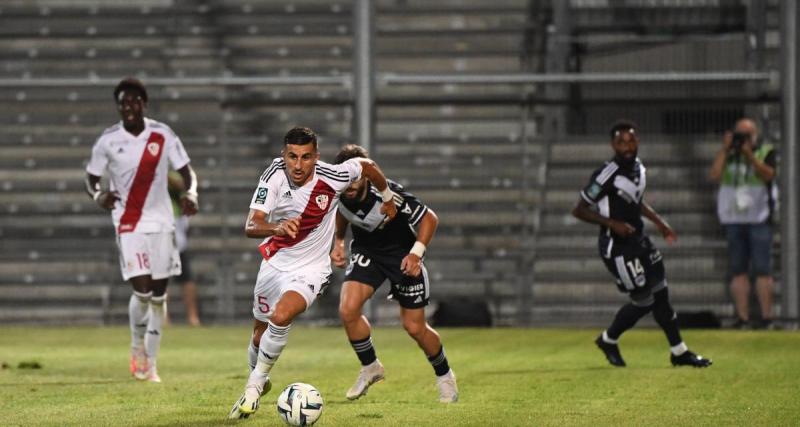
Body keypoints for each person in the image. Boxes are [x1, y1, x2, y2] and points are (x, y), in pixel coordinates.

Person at [227, 127, 397, 419]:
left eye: (306, 157)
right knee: (258, 335)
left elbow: (367, 166)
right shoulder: (273, 176)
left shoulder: (333, 176)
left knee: (281, 316)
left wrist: (387, 196)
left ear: (316, 157)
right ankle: (261, 379)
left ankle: (253, 388)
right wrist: (277, 227)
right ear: (284, 155)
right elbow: (251, 226)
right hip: (275, 263)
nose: (298, 164)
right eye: (292, 156)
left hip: (311, 269)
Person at [572, 120, 711, 368]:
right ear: (613, 145)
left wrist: (659, 222)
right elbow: (579, 210)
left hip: (639, 240)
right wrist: (612, 223)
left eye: (631, 140)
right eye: (621, 142)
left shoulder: (638, 168)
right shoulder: (606, 174)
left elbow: (635, 201)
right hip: (617, 247)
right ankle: (609, 339)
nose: (627, 146)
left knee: (661, 293)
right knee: (644, 301)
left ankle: (679, 351)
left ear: (638, 141)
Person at [85, 77, 199, 382]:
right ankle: (138, 349)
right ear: (119, 106)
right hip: (129, 223)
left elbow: (187, 173)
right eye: (123, 102)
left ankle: (152, 361)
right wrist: (99, 195)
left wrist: (191, 195)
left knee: (159, 297)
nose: (129, 106)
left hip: (162, 222)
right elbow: (91, 177)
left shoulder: (162, 134)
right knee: (142, 290)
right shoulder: (108, 140)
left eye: (134, 101)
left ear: (143, 103)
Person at [329, 144, 458, 404]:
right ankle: (371, 367)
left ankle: (445, 376)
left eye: (355, 177)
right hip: (368, 253)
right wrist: (339, 241)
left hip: (402, 256)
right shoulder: (340, 190)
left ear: (365, 174)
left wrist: (416, 253)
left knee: (414, 327)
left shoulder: (387, 193)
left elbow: (430, 218)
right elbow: (342, 213)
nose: (350, 184)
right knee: (348, 310)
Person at [709, 118, 777, 329]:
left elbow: (769, 174)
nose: (743, 139)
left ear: (755, 135)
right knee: (738, 270)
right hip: (733, 219)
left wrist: (749, 155)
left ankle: (767, 318)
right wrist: (725, 149)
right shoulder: (728, 155)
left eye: (747, 135)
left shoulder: (765, 151)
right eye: (739, 134)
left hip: (758, 218)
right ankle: (743, 318)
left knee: (762, 270)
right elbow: (715, 175)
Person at [168, 171, 202, 327]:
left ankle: (192, 317)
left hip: (173, 222)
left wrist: (161, 173)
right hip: (153, 221)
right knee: (159, 275)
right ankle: (163, 318)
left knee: (185, 274)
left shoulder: (177, 170)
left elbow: (184, 187)